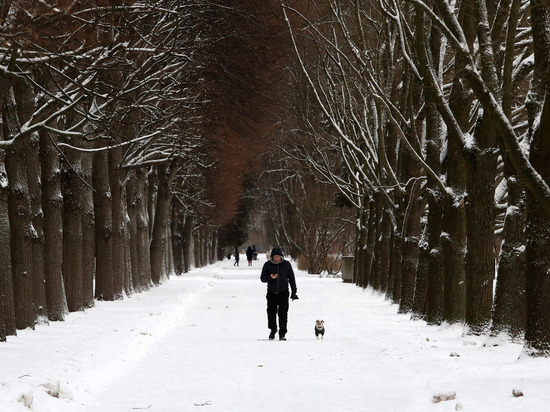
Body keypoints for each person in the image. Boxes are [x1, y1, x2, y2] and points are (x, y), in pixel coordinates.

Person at [260, 247, 298, 340]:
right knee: (271, 313)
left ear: (281, 256)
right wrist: (270, 278)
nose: (276, 258)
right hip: (271, 293)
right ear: (272, 257)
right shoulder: (267, 265)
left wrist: (294, 291)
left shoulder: (286, 265)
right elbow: (262, 278)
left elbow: (291, 278)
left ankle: (282, 333)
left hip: (283, 293)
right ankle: (273, 329)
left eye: (278, 256)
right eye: (274, 257)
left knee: (283, 314)